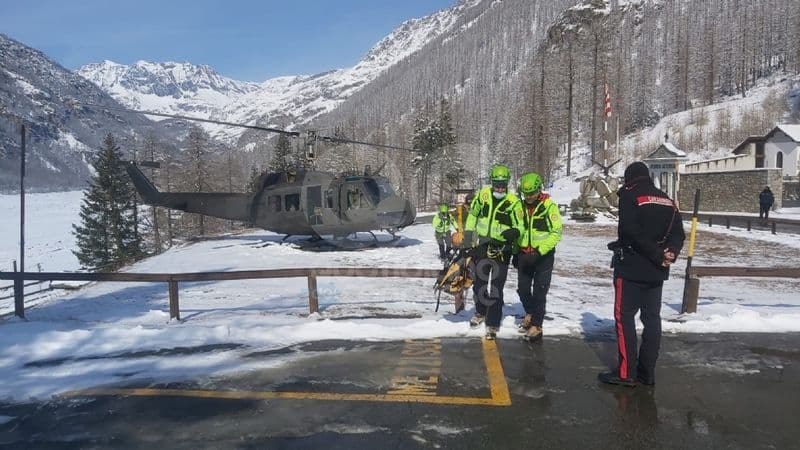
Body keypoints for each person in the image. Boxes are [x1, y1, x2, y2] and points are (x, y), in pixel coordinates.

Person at [599, 161, 685, 387]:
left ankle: (626, 373)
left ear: (629, 179)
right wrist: (670, 253)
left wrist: (655, 254)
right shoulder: (667, 199)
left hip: (632, 267)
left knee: (624, 318)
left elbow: (629, 231)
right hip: (657, 271)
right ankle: (647, 373)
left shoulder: (630, 195)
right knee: (652, 320)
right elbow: (679, 234)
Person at [463, 164, 524, 339]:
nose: (499, 187)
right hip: (483, 244)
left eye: (502, 184)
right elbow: (473, 215)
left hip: (502, 248)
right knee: (480, 283)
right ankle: (481, 311)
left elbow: (520, 225)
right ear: (492, 182)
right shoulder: (483, 195)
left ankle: (493, 322)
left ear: (507, 183)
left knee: (496, 286)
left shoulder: (513, 201)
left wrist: (512, 233)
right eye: (496, 183)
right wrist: (468, 239)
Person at [513, 172, 563, 342]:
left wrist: (540, 251)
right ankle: (530, 312)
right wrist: (515, 252)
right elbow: (517, 228)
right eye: (526, 194)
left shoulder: (549, 207)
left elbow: (556, 232)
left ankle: (537, 325)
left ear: (539, 190)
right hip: (524, 255)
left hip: (543, 256)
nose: (528, 197)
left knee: (540, 291)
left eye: (532, 194)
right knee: (523, 289)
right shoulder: (519, 206)